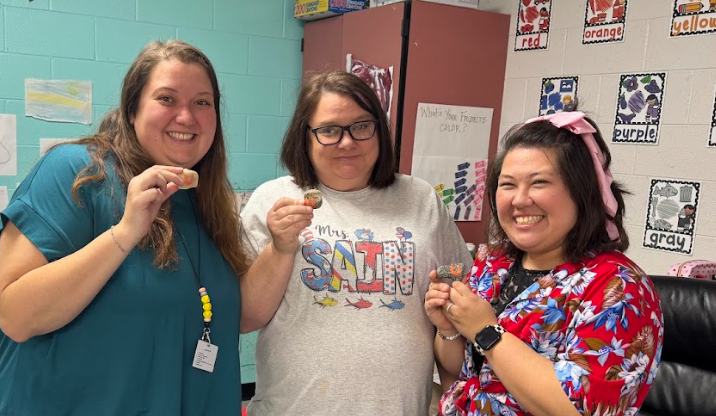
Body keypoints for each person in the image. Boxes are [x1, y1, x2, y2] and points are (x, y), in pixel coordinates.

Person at [0, 40, 249, 415]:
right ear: (131, 110)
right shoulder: (76, 172)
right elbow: (16, 316)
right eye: (167, 99)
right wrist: (124, 234)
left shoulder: (204, 200)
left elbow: (234, 313)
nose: (187, 117)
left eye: (202, 102)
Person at [239, 70, 473, 416]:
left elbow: (458, 305)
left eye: (361, 126)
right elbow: (244, 318)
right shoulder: (274, 200)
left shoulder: (420, 198)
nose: (347, 142)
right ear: (305, 138)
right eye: (329, 131)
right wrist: (280, 248)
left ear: (379, 130)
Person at [426, 110, 664, 416]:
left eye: (539, 182)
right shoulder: (492, 262)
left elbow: (578, 408)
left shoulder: (619, 288)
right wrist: (450, 329)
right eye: (508, 184)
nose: (520, 199)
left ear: (581, 192)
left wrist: (486, 330)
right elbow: (464, 373)